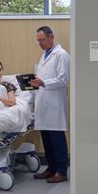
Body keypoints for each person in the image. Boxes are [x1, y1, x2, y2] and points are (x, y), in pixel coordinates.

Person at [29, 26, 70, 183]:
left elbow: (63, 79)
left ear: (51, 37)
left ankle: (61, 171)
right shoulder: (44, 55)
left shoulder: (61, 55)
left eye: (42, 40)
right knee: (47, 139)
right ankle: (51, 168)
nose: (40, 43)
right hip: (44, 103)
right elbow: (42, 77)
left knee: (56, 139)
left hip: (55, 105)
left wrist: (43, 82)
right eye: (38, 41)